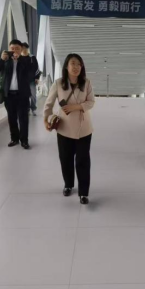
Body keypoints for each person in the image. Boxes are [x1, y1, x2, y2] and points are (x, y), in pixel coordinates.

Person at [44, 54, 95, 205]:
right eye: (73, 63)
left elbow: (91, 102)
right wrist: (46, 119)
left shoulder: (86, 82)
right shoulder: (59, 83)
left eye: (79, 64)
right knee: (65, 159)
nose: (76, 67)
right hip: (64, 128)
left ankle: (83, 193)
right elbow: (48, 103)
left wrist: (75, 107)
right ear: (66, 66)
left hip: (84, 128)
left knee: (83, 160)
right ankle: (68, 184)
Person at [0, 39, 37, 150]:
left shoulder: (25, 60)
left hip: (22, 95)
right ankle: (14, 139)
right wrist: (2, 59)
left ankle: (24, 141)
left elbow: (31, 71)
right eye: (12, 48)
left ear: (21, 49)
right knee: (11, 118)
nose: (14, 51)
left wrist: (20, 60)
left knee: (23, 119)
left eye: (17, 48)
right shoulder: (6, 60)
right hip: (9, 95)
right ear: (9, 49)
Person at [21, 42, 42, 116]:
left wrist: (37, 78)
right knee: (25, 96)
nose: (24, 50)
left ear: (27, 49)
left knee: (33, 95)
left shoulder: (32, 57)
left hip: (32, 80)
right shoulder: (20, 58)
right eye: (22, 48)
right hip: (23, 81)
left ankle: (33, 109)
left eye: (25, 48)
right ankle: (27, 109)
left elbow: (37, 68)